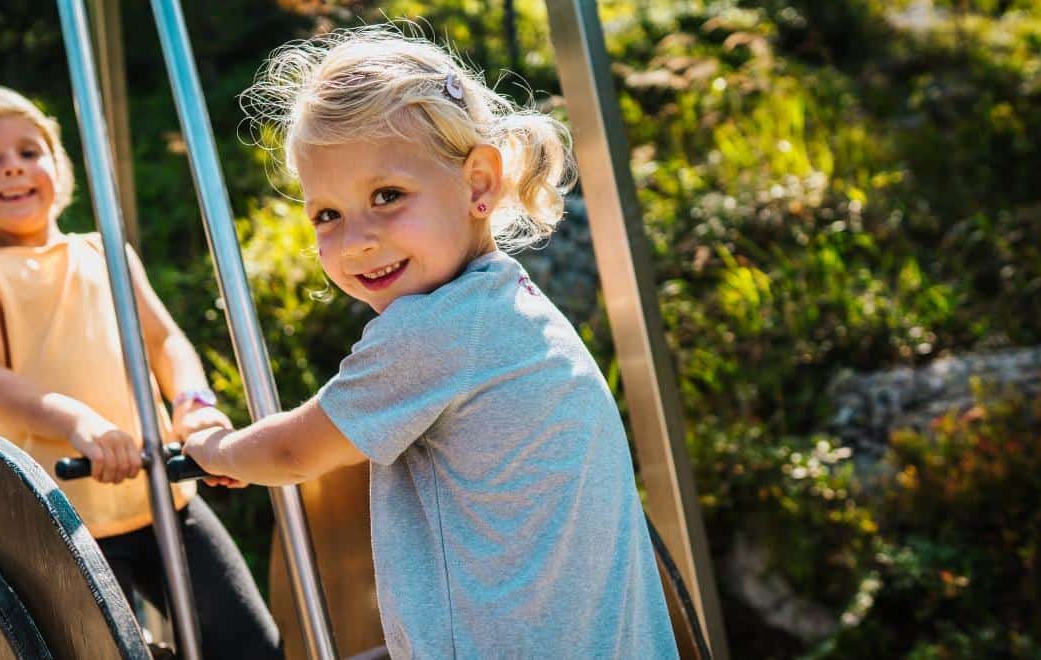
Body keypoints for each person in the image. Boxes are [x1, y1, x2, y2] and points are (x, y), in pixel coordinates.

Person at [183, 27, 679, 658]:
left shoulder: (432, 331)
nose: (356, 240)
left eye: (386, 196)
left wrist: (215, 448)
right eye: (327, 214)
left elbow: (289, 453)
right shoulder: (514, 308)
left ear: (478, 184)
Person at [0, 84, 281, 658]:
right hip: (60, 520)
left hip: (163, 495)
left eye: (29, 152)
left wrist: (195, 407)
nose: (13, 168)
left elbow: (167, 343)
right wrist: (77, 420)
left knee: (250, 643)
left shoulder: (106, 251)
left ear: (60, 170)